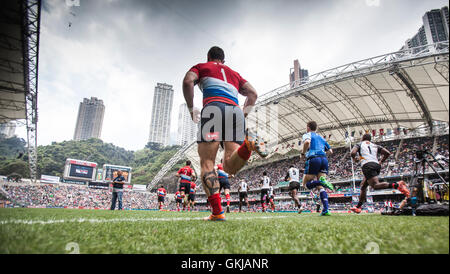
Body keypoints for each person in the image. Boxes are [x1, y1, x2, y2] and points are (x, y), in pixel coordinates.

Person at [182, 46, 267, 221]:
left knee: (207, 162)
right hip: (235, 112)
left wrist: (191, 109)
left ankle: (217, 212)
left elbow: (188, 81)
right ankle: (248, 145)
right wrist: (242, 114)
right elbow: (253, 93)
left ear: (208, 57)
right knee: (229, 166)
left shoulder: (201, 67)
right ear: (224, 60)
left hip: (213, 109)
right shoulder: (234, 74)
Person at [350, 134, 410, 214]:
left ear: (363, 138)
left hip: (367, 165)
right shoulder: (375, 145)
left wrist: (355, 159)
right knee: (363, 186)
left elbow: (352, 152)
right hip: (376, 165)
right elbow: (387, 153)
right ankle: (358, 207)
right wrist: (380, 162)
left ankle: (397, 185)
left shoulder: (359, 144)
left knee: (375, 185)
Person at [301, 121, 334, 216]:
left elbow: (307, 142)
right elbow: (330, 151)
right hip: (324, 159)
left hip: (313, 159)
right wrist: (322, 154)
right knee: (321, 188)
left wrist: (303, 153)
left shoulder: (307, 134)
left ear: (308, 127)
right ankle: (326, 210)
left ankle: (321, 182)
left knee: (305, 185)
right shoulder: (321, 138)